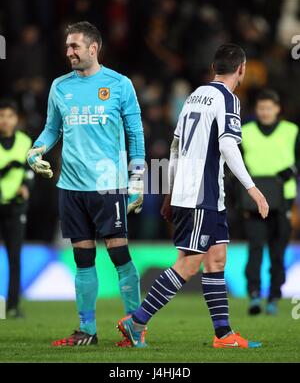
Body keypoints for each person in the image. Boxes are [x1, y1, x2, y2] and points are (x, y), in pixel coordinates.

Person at [117, 44, 269, 349]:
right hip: (201, 193)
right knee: (189, 263)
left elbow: (175, 147)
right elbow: (228, 146)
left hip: (202, 193)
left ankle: (224, 335)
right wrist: (252, 187)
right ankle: (137, 322)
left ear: (214, 68)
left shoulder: (193, 96)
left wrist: (169, 191)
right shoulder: (228, 99)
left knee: (217, 258)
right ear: (242, 69)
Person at [27, 21, 145, 347]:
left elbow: (136, 134)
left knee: (119, 255)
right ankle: (87, 330)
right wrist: (35, 150)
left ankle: (137, 326)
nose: (69, 52)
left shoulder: (120, 85)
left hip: (108, 184)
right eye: (67, 47)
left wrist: (138, 179)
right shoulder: (59, 87)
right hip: (70, 186)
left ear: (93, 48)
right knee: (82, 259)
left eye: (75, 47)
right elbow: (52, 129)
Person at [241, 89, 300, 315]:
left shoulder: (291, 131)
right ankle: (254, 294)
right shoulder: (245, 132)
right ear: (257, 109)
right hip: (254, 199)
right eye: (261, 108)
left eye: (269, 108)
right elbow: (235, 163)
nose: (265, 112)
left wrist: (290, 171)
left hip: (283, 199)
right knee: (255, 247)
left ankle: (274, 295)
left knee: (278, 250)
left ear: (277, 109)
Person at [0, 99, 34, 318]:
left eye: (9, 116)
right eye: (2, 116)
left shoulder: (25, 141)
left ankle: (12, 306)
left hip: (16, 207)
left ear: (16, 119)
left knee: (15, 256)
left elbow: (31, 170)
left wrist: (26, 186)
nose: (5, 120)